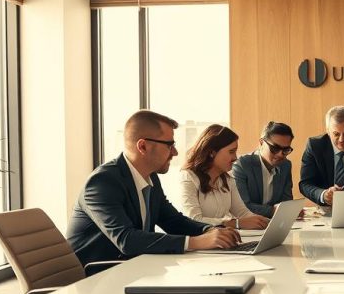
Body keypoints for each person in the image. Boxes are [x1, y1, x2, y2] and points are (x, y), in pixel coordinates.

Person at [67, 110, 240, 269]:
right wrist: (196, 242)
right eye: (169, 145)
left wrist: (211, 230)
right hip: (97, 279)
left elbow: (173, 221)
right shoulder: (102, 182)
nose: (175, 152)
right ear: (142, 146)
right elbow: (127, 239)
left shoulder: (150, 177)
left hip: (133, 269)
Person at [180, 124, 270, 230]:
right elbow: (194, 219)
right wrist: (234, 224)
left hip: (221, 240)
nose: (235, 158)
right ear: (212, 152)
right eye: (231, 151)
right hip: (199, 242)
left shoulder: (228, 179)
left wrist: (267, 222)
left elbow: (242, 213)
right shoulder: (189, 177)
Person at [231, 121, 295, 218]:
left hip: (275, 223)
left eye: (286, 150)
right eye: (274, 148)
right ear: (261, 143)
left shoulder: (285, 165)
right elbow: (243, 206)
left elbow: (286, 202)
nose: (280, 154)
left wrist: (291, 209)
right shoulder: (242, 165)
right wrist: (273, 210)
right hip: (248, 225)